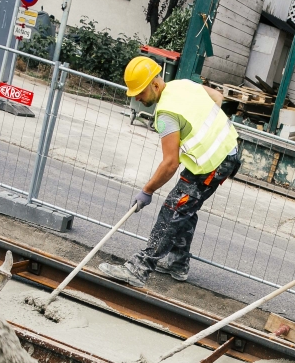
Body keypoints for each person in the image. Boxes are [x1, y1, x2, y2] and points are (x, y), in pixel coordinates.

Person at [98, 56, 240, 287]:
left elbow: (170, 163)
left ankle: (139, 269)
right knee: (185, 207)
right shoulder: (183, 84)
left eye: (140, 93)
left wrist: (147, 190)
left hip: (212, 165)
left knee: (173, 209)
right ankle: (177, 262)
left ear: (155, 84)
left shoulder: (165, 115)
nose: (137, 98)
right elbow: (217, 97)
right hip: (225, 154)